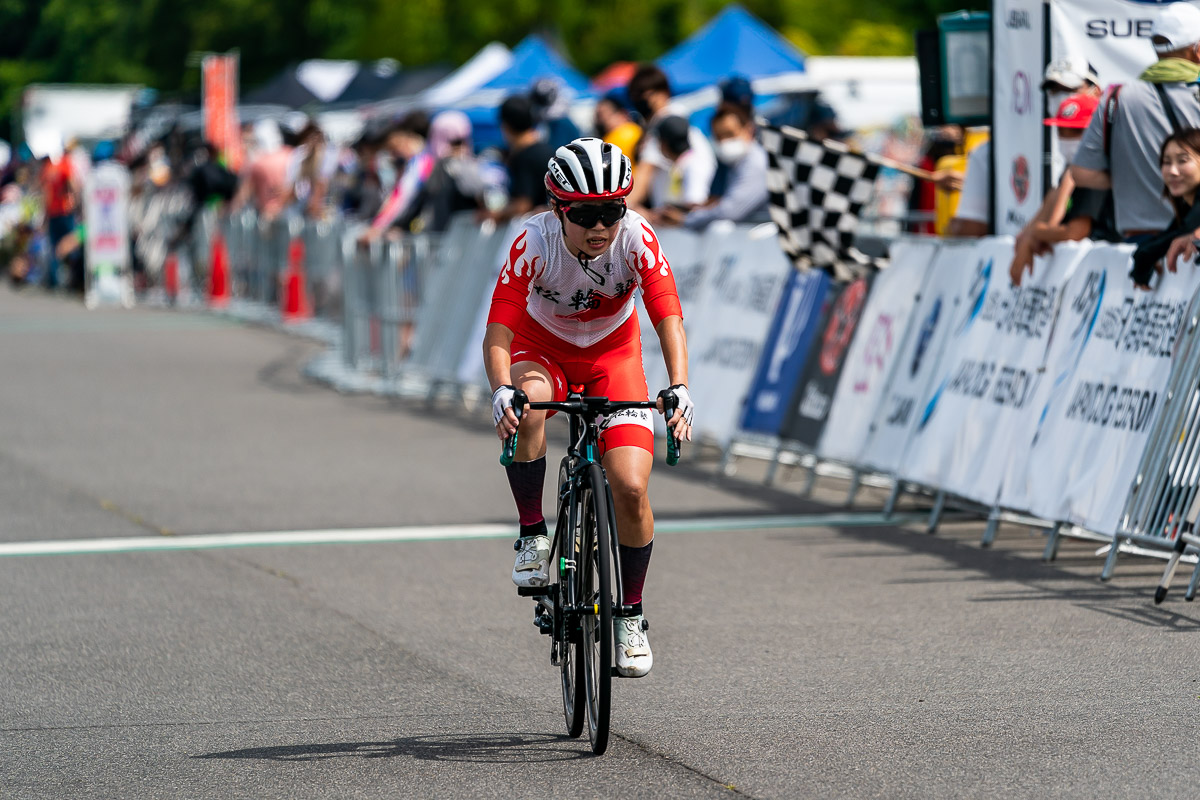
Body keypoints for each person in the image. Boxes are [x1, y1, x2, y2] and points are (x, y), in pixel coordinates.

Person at [484, 138, 692, 678]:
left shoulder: (638, 238)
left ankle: (630, 614)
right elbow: (499, 328)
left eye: (612, 211)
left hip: (612, 358)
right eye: (586, 215)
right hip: (542, 350)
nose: (601, 227)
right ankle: (533, 533)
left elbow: (668, 312)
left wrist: (680, 385)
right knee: (528, 407)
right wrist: (502, 388)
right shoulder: (533, 240)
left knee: (630, 486)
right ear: (558, 210)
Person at [1071, 1, 1200, 246]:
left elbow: (1081, 173)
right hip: (1191, 245)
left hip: (1137, 247)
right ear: (1197, 50)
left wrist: (1133, 177)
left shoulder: (1116, 96)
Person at [1011, 94, 1112, 285]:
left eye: (1075, 132)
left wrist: (1037, 233)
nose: (1066, 139)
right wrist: (1033, 234)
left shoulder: (1095, 171)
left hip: (1103, 275)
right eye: (1061, 131)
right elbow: (1051, 211)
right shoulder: (1071, 173)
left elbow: (1075, 232)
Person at [624, 63, 716, 217]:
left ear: (663, 93)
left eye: (644, 95)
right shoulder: (676, 118)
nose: (639, 101)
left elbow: (644, 173)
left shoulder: (665, 124)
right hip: (679, 212)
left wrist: (621, 208)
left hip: (679, 214)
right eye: (634, 96)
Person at [1130, 128, 1200, 288]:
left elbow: (1185, 231)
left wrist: (1145, 255)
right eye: (1167, 162)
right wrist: (1145, 253)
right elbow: (1172, 234)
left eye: (1183, 160)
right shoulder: (1186, 206)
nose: (1173, 171)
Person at [682, 102, 769, 229]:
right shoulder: (735, 163)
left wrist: (686, 220)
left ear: (749, 130)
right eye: (719, 137)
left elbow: (731, 211)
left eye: (729, 134)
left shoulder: (756, 163)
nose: (724, 142)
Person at [360, 111, 434, 242]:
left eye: (393, 148)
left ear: (406, 138)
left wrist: (377, 227)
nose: (393, 155)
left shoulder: (421, 161)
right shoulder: (417, 161)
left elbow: (401, 196)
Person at [482, 95, 556, 223]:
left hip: (539, 230)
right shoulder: (547, 149)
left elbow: (523, 205)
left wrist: (496, 215)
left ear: (506, 125)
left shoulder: (524, 156)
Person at [643, 115, 715, 224]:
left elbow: (695, 204)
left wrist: (665, 214)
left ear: (664, 143)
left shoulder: (693, 164)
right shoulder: (682, 164)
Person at [593, 90, 641, 165]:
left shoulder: (622, 134)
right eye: (599, 116)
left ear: (622, 114)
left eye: (604, 115)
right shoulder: (638, 130)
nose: (601, 122)